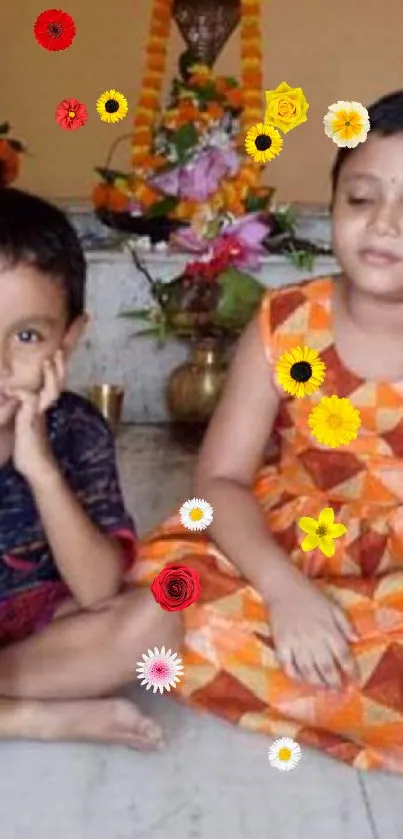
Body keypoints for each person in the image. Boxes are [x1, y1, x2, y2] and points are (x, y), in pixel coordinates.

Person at [135, 90, 403, 773]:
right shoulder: (285, 321)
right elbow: (219, 479)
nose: (385, 226)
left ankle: (324, 677)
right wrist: (284, 592)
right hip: (279, 555)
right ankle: (338, 687)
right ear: (333, 203)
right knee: (174, 594)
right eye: (361, 199)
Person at [0, 188, 181, 750]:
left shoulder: (76, 430)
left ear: (70, 339)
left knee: (161, 619)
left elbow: (100, 589)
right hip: (28, 666)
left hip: (29, 635)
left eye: (26, 336)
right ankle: (29, 716)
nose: (0, 362)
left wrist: (41, 470)